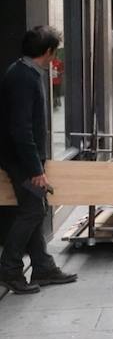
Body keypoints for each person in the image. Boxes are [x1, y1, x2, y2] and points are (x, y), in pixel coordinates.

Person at [0, 26, 78, 294]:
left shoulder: (24, 72)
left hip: (23, 158)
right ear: (48, 52)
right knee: (34, 210)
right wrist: (35, 169)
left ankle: (43, 267)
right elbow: (20, 129)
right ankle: (9, 269)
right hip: (21, 161)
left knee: (35, 209)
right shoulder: (23, 77)